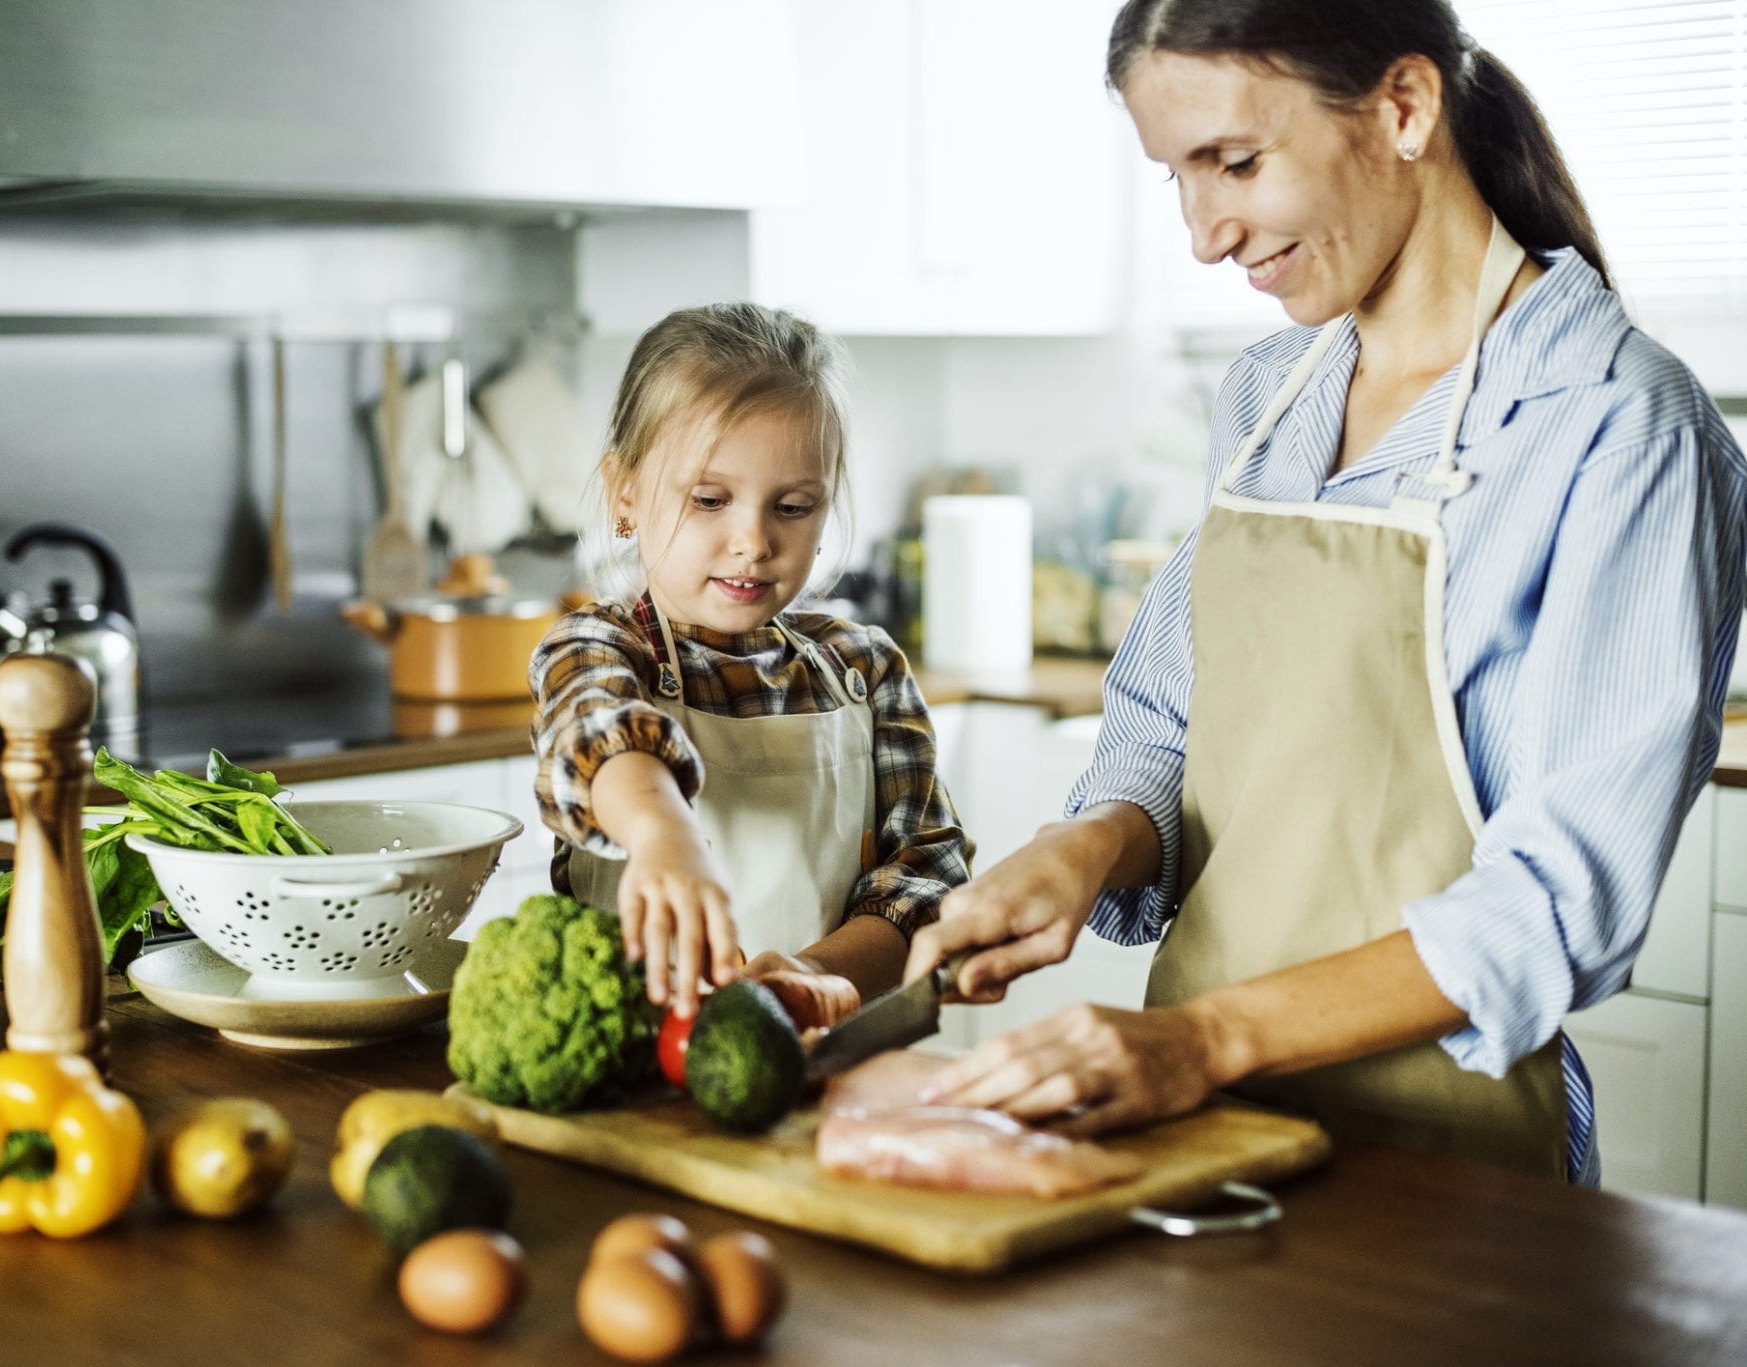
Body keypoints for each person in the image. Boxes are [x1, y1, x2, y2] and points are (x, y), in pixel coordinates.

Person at [905, 0, 1747, 1181]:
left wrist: (1199, 1039)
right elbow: (1168, 723)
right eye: (1177, 181)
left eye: (1234, 163)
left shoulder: (1617, 423)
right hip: (1203, 1136)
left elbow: (1559, 906)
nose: (1205, 234)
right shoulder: (1268, 397)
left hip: (1443, 1168)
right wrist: (1086, 845)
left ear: (1402, 109)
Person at [531, 302, 972, 1023]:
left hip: (827, 1058)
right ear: (626, 495)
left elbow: (925, 886)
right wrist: (663, 834)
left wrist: (805, 980)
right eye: (710, 499)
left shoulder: (867, 671)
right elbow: (597, 731)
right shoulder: (600, 647)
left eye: (792, 507)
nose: (753, 539)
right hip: (637, 1068)